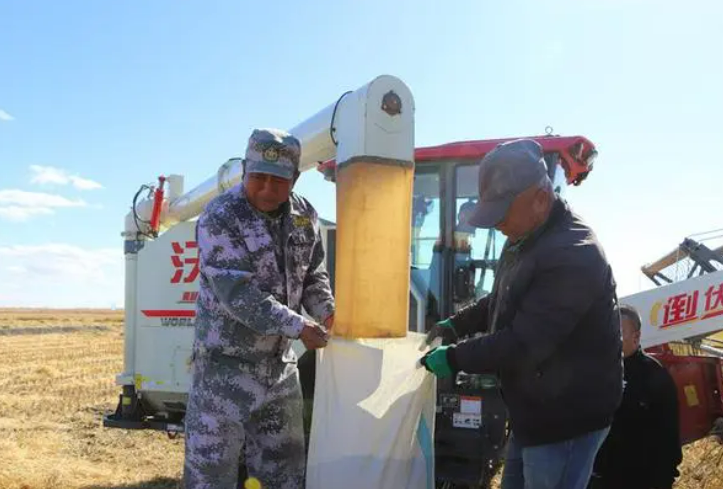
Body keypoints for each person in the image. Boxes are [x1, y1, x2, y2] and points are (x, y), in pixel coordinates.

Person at [421, 139, 623, 489]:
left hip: (566, 420)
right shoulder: (526, 236)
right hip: (535, 409)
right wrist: (456, 324)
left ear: (540, 198)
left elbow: (524, 343)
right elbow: (502, 298)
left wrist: (454, 358)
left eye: (500, 213)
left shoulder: (573, 255)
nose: (495, 225)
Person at [183, 128, 335, 489]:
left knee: (284, 473)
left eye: (278, 180)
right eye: (258, 178)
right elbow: (238, 294)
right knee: (211, 477)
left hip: (280, 370)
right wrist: (300, 327)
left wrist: (327, 311)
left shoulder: (304, 216)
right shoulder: (221, 217)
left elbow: (313, 273)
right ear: (244, 172)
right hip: (223, 372)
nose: (267, 188)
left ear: (295, 178)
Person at [589, 304, 683, 489]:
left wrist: (663, 479)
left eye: (619, 331)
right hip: (599, 479)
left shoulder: (655, 375)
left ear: (637, 336)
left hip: (641, 479)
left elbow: (669, 437)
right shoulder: (595, 373)